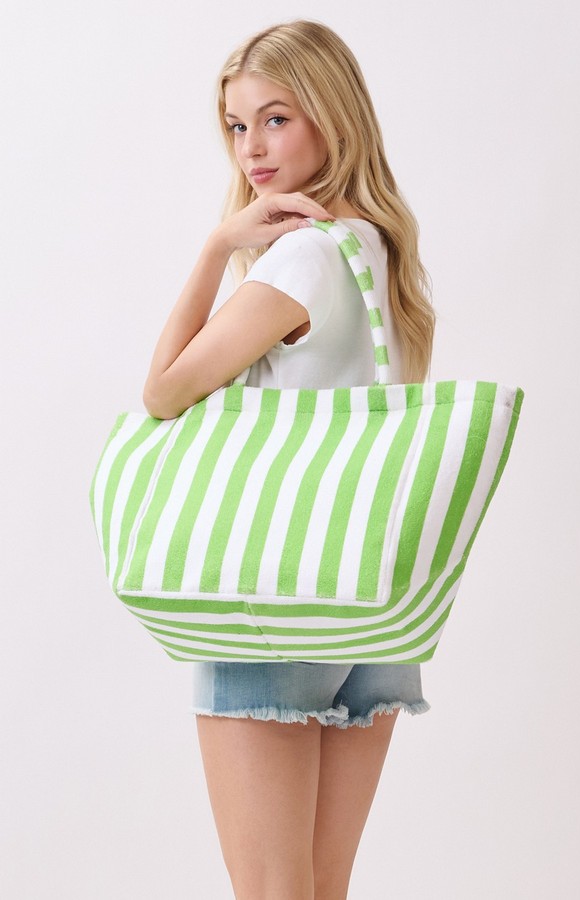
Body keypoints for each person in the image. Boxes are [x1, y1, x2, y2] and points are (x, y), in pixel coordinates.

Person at [143, 19, 436, 900]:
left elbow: (164, 391)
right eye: (238, 126)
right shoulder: (382, 252)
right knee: (320, 886)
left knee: (273, 890)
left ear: (332, 115)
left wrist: (216, 247)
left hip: (275, 598)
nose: (253, 148)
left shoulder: (304, 256)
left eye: (276, 118)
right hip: (370, 603)